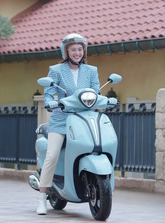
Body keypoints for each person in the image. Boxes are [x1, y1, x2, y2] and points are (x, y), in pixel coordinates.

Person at [36, 33, 100, 215]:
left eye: (80, 49)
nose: (77, 53)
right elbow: (49, 93)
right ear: (66, 51)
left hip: (84, 118)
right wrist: (49, 102)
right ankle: (42, 198)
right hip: (62, 119)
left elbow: (96, 92)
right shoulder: (56, 70)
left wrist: (105, 100)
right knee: (52, 154)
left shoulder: (91, 71)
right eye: (73, 50)